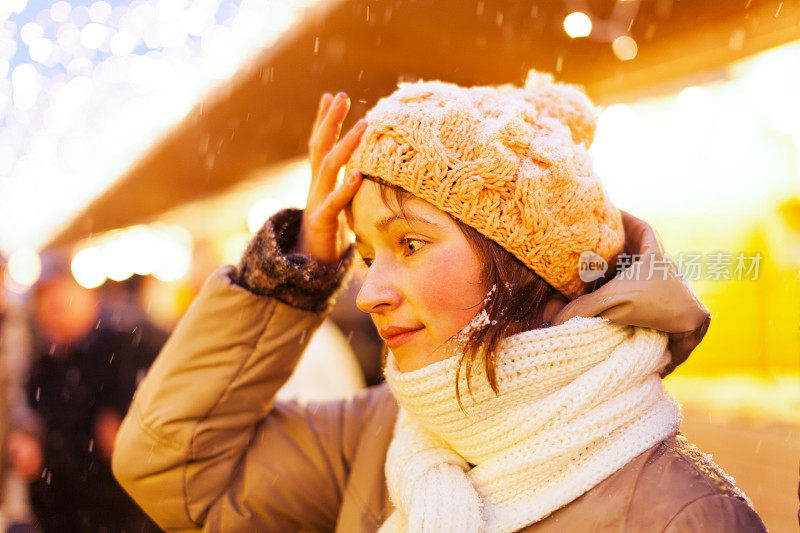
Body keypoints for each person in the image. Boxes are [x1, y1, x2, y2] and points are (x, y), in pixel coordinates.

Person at [112, 72, 766, 531]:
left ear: (525, 261)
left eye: (411, 243)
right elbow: (172, 470)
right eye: (366, 255)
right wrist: (297, 269)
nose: (368, 291)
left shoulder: (688, 514)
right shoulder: (376, 431)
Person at [12, 261, 164, 532]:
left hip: (119, 512)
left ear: (91, 300)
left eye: (60, 305)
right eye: (44, 308)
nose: (51, 314)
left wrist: (125, 420)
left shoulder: (127, 346)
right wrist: (29, 440)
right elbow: (34, 420)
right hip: (65, 513)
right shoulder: (44, 366)